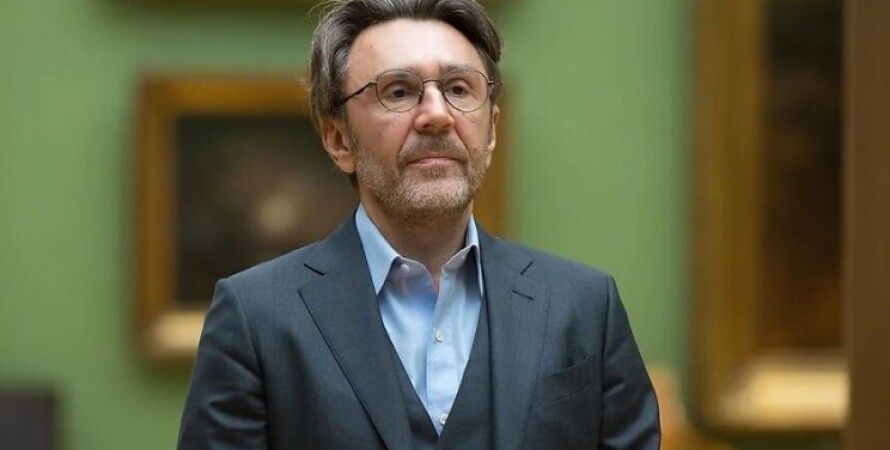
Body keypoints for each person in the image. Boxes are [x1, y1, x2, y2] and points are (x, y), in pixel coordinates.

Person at [177, 0, 660, 448]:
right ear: (339, 139)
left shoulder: (585, 307)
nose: (436, 115)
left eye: (458, 89)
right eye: (399, 91)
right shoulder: (255, 318)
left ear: (491, 130)